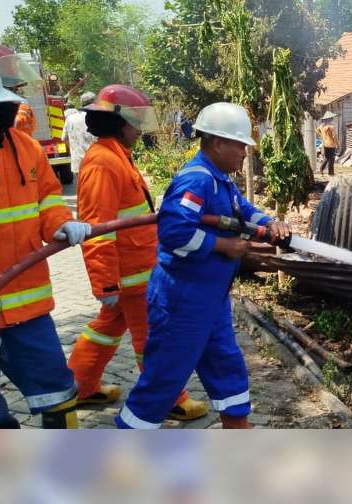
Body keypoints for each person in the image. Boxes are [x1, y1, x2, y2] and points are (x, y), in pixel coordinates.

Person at [116, 102, 290, 429]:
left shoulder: (219, 179)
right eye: (240, 144)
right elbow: (173, 232)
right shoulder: (196, 181)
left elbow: (243, 210)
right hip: (181, 303)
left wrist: (270, 222)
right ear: (218, 143)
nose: (245, 152)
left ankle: (237, 424)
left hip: (210, 300)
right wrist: (224, 245)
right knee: (164, 379)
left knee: (226, 362)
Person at [67, 85, 208, 420]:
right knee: (154, 338)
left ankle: (79, 385)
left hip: (133, 272)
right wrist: (105, 285)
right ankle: (170, 398)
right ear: (119, 123)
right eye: (135, 122)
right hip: (130, 277)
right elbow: (96, 227)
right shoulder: (103, 162)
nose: (139, 129)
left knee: (106, 329)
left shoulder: (114, 155)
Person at [0, 74, 92, 428]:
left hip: (25, 300)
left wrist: (59, 222)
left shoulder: (27, 148)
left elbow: (48, 197)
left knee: (57, 392)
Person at [61, 91, 97, 182]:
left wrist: (75, 148)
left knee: (84, 189)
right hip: (96, 161)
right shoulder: (98, 117)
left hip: (78, 162)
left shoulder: (70, 119)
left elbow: (64, 138)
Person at [316, 111, 338, 176]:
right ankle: (331, 173)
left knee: (326, 158)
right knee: (331, 159)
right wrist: (337, 144)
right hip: (331, 145)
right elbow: (334, 136)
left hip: (325, 144)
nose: (333, 119)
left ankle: (321, 169)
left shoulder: (321, 126)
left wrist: (322, 136)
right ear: (330, 119)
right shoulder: (331, 127)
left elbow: (317, 130)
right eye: (332, 118)